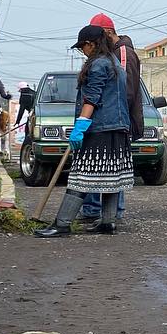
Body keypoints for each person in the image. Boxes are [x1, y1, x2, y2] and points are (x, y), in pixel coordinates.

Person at [35, 25, 134, 238]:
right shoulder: (115, 63)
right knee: (111, 177)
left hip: (99, 129)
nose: (83, 51)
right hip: (118, 129)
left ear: (92, 44)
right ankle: (107, 222)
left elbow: (92, 98)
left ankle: (62, 224)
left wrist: (80, 126)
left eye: (83, 47)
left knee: (81, 176)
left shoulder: (98, 65)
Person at [81, 13, 142, 224]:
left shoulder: (122, 53)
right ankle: (99, 214)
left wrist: (113, 121)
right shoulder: (107, 56)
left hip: (115, 122)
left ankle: (112, 214)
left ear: (107, 33)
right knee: (108, 168)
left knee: (113, 169)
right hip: (106, 120)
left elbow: (121, 90)